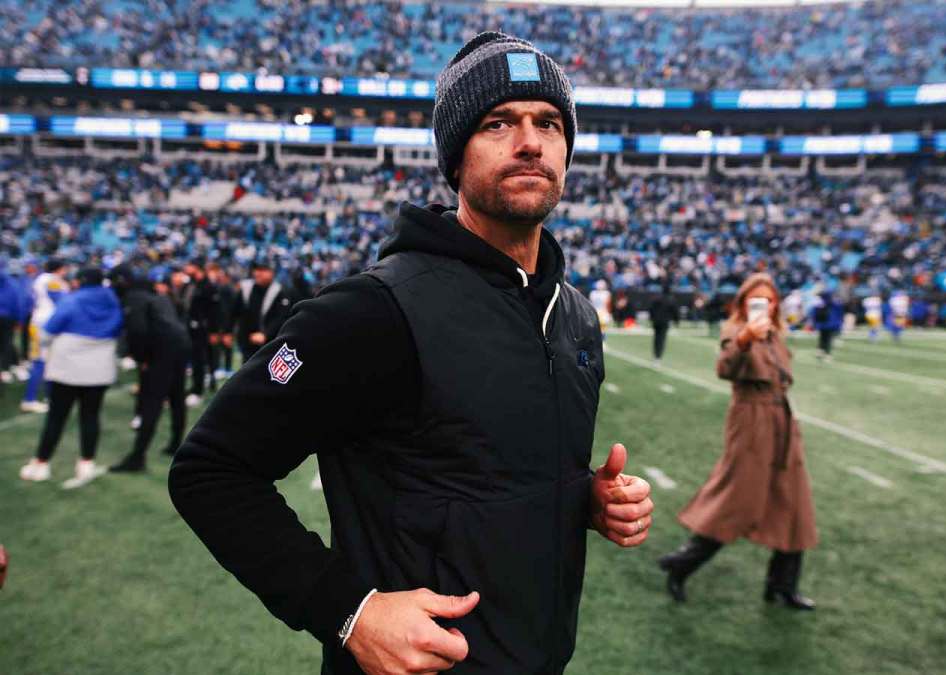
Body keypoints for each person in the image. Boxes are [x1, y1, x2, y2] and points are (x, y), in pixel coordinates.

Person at [170, 32, 654, 675]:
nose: (530, 141)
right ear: (455, 157)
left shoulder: (574, 316)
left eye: (548, 123)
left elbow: (482, 475)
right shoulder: (372, 312)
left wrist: (580, 501)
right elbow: (210, 468)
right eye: (497, 122)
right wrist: (348, 610)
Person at [658, 272, 818, 610]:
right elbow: (725, 367)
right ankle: (681, 564)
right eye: (755, 299)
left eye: (769, 299)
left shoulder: (776, 334)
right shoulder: (735, 332)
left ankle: (782, 585)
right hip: (750, 420)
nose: (763, 305)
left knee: (794, 502)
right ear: (743, 302)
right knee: (737, 500)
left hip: (782, 419)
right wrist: (746, 339)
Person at [18, 268, 123, 487]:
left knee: (56, 418)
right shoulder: (112, 300)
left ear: (80, 281)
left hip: (67, 369)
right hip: (100, 369)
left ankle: (41, 464)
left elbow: (47, 332)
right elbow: (119, 328)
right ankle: (86, 464)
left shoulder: (72, 300)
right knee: (91, 416)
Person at [109, 265, 191, 472]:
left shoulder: (134, 298)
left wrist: (142, 357)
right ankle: (176, 443)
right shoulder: (158, 296)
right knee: (176, 397)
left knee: (151, 401)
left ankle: (137, 457)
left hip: (162, 351)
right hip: (180, 345)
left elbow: (137, 331)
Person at [22, 259, 68, 413]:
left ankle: (50, 396)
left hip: (44, 322)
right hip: (43, 324)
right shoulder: (51, 280)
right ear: (60, 268)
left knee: (48, 362)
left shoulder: (42, 279)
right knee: (40, 362)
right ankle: (29, 400)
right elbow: (61, 301)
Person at [231, 261, 293, 362]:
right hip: (247, 340)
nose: (258, 273)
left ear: (271, 272)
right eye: (256, 270)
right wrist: (228, 331)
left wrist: (265, 334)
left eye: (263, 270)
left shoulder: (280, 291)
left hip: (270, 342)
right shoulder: (247, 288)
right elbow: (235, 311)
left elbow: (282, 317)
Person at [179, 259, 219, 406]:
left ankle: (198, 391)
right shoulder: (190, 284)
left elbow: (214, 311)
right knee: (193, 359)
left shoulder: (208, 286)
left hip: (203, 329)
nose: (186, 268)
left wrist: (214, 331)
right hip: (189, 327)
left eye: (189, 265)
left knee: (199, 359)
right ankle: (197, 386)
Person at [808, 290, 843, 361]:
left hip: (822, 324)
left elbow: (813, 314)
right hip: (830, 325)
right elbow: (840, 312)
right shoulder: (834, 304)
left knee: (822, 338)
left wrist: (814, 324)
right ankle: (827, 354)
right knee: (828, 340)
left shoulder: (819, 304)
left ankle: (820, 352)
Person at [649, 291, 676, 364]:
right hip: (664, 322)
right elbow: (674, 311)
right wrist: (676, 320)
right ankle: (658, 356)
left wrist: (652, 318)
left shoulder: (656, 299)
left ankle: (655, 355)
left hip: (656, 322)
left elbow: (651, 309)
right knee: (661, 339)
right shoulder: (670, 300)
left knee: (656, 338)